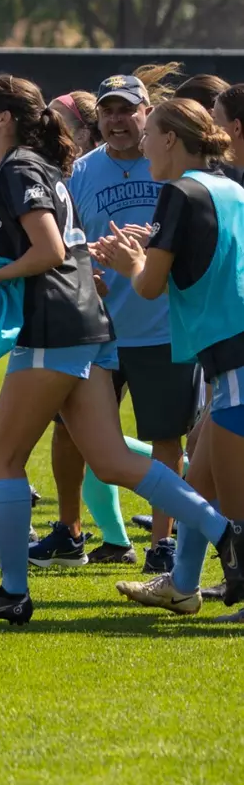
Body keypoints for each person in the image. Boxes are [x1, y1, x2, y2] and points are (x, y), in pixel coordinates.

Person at [0, 74, 244, 624]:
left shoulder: (19, 169)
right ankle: (224, 533)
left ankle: (13, 592)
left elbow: (50, 249)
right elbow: (70, 247)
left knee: (3, 457)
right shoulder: (49, 171)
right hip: (87, 322)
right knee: (110, 461)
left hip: (54, 325)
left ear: (6, 118)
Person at [36, 68, 198, 573]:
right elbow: (67, 242)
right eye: (108, 110)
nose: (117, 119)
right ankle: (70, 532)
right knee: (71, 432)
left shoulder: (170, 168)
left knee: (165, 437)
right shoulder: (81, 172)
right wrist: (88, 271)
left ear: (147, 114)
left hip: (164, 327)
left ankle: (162, 543)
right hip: (98, 328)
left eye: (127, 109)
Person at [94, 97, 244, 616]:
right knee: (197, 481)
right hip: (225, 356)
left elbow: (150, 287)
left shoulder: (177, 191)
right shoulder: (228, 186)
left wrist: (132, 261)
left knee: (234, 505)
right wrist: (151, 250)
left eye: (149, 133)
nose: (142, 144)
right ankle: (182, 584)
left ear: (171, 140)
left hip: (233, 357)